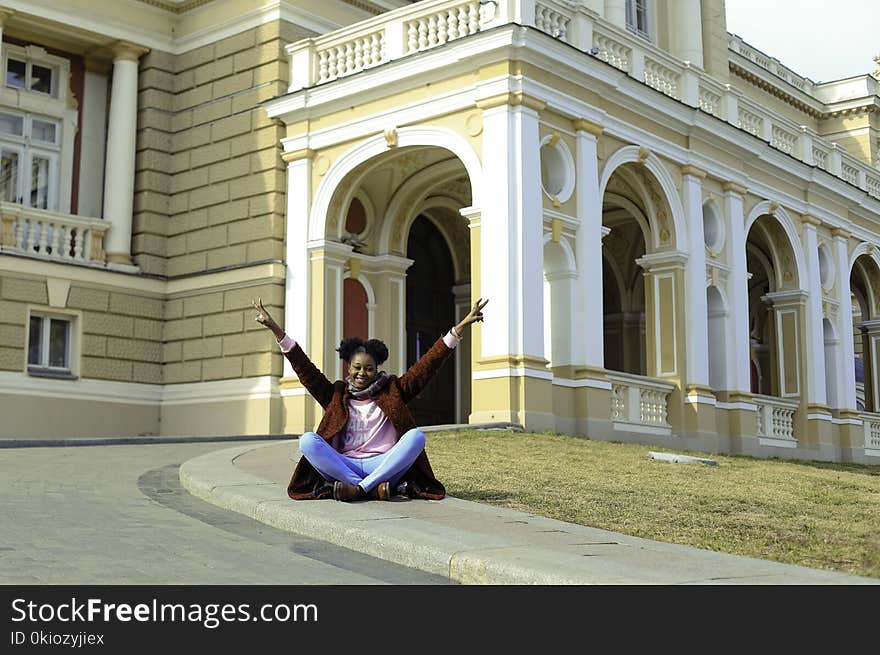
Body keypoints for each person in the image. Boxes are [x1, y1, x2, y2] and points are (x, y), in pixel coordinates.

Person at [252, 296, 489, 502]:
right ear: (348, 367)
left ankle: (360, 490)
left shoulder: (394, 389)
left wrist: (457, 331)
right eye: (357, 367)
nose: (362, 373)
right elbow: (305, 369)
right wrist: (276, 330)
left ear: (376, 370)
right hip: (345, 465)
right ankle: (371, 489)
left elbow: (427, 366)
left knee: (416, 437)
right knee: (307, 441)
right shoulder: (336, 394)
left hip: (384, 465)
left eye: (368, 368)